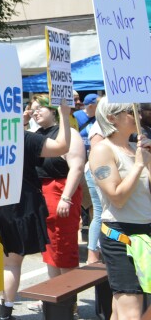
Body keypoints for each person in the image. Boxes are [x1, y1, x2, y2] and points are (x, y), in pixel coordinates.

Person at [0, 97, 73, 320]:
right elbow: (62, 146)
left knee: (8, 261)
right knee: (14, 262)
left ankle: (4, 309)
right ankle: (6, 309)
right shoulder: (24, 137)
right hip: (21, 203)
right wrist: (65, 115)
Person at [89, 97, 151, 320]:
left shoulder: (138, 147)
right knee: (131, 310)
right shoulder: (102, 150)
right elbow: (117, 198)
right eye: (130, 110)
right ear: (112, 118)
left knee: (128, 309)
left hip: (145, 232)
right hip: (120, 235)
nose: (138, 113)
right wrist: (139, 165)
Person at [30, 96, 85, 292]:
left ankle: (68, 297)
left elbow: (77, 167)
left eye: (40, 108)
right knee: (50, 248)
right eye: (33, 108)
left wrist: (66, 198)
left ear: (53, 110)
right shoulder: (35, 135)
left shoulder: (69, 134)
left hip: (61, 192)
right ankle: (55, 294)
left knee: (64, 246)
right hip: (42, 195)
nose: (35, 112)